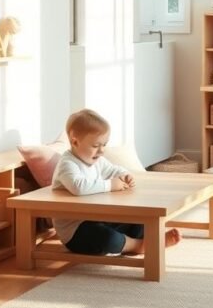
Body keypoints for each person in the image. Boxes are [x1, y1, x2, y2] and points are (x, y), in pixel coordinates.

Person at [52, 108, 182, 256]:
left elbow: (113, 170)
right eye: (95, 146)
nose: (101, 151)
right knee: (108, 238)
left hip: (98, 218)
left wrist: (124, 175)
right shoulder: (68, 164)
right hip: (76, 230)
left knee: (140, 222)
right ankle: (138, 246)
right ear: (75, 142)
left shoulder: (96, 160)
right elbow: (78, 187)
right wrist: (110, 185)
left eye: (104, 145)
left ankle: (148, 238)